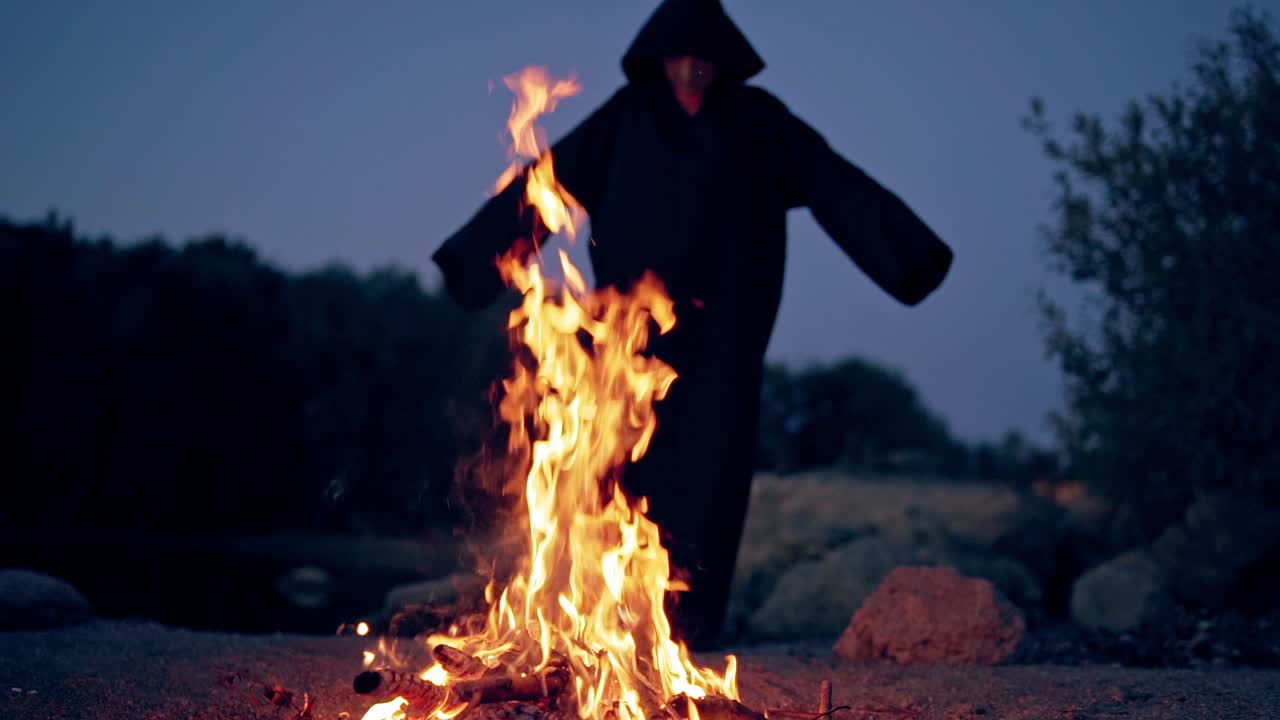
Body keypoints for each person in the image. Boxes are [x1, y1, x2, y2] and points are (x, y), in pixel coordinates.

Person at [433, 0, 954, 650]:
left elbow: (834, 183)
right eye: (681, 56)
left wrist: (912, 258)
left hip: (726, 334)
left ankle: (691, 628)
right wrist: (472, 261)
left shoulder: (761, 123)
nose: (692, 69)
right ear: (659, 58)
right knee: (620, 467)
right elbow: (547, 181)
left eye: (705, 58)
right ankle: (610, 623)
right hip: (629, 337)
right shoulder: (626, 119)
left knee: (713, 472)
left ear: (724, 63)